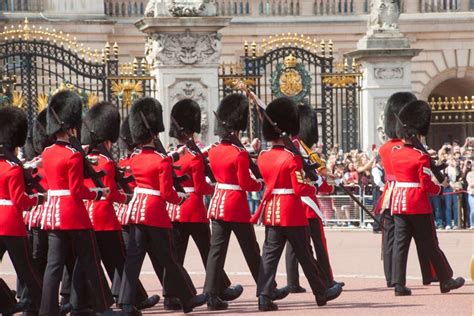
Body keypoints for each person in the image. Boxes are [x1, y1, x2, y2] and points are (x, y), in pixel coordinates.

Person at [118, 97, 207, 315]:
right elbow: (167, 193)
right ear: (155, 133)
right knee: (169, 258)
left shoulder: (135, 158)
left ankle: (126, 302)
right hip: (155, 212)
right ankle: (187, 299)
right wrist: (181, 199)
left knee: (133, 259)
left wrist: (175, 154)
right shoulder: (162, 160)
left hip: (137, 211)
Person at [252, 97, 342, 311]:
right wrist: (317, 186)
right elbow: (300, 189)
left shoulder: (263, 156)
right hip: (291, 211)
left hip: (272, 211)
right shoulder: (292, 158)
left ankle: (264, 296)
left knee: (269, 256)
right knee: (306, 255)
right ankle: (321, 293)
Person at [204, 94, 288, 311]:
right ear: (237, 129)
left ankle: (211, 295)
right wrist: (259, 184)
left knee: (216, 252)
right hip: (235, 206)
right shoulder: (238, 153)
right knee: (251, 250)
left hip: (218, 203)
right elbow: (244, 183)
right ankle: (267, 289)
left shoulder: (213, 151)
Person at [39, 91, 116, 316]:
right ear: (71, 127)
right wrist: (98, 194)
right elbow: (77, 190)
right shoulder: (73, 155)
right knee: (90, 260)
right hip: (74, 214)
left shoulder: (47, 152)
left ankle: (47, 310)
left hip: (53, 213)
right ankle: (102, 307)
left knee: (53, 266)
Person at [81, 102, 159, 311]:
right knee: (119, 261)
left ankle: (86, 301)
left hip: (88, 217)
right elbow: (110, 193)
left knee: (93, 262)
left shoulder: (86, 159)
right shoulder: (105, 162)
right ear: (108, 139)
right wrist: (125, 199)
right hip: (105, 218)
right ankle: (132, 299)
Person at [391, 100, 465, 296]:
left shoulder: (395, 154)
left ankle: (399, 285)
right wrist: (440, 189)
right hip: (417, 203)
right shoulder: (420, 156)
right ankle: (446, 280)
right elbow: (426, 184)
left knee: (401, 245)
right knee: (430, 243)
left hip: (398, 203)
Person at [378, 92, 437, 288]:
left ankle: (392, 277)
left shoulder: (386, 147)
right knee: (425, 235)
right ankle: (430, 273)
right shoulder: (412, 149)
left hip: (390, 194)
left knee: (392, 239)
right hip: (411, 193)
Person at [284, 103, 344, 293]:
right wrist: (327, 184)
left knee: (294, 246)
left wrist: (327, 179)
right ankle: (326, 279)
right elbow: (313, 179)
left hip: (294, 204)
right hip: (307, 203)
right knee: (318, 243)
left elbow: (316, 173)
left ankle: (293, 282)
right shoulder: (299, 149)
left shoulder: (295, 148)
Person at [0, 106, 44, 316]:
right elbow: (19, 201)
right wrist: (37, 199)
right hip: (11, 223)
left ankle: (7, 305)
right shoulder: (13, 168)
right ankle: (45, 305)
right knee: (27, 270)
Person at [466, 162, 474, 229]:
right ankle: (472, 224)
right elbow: (471, 184)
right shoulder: (469, 174)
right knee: (473, 209)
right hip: (472, 193)